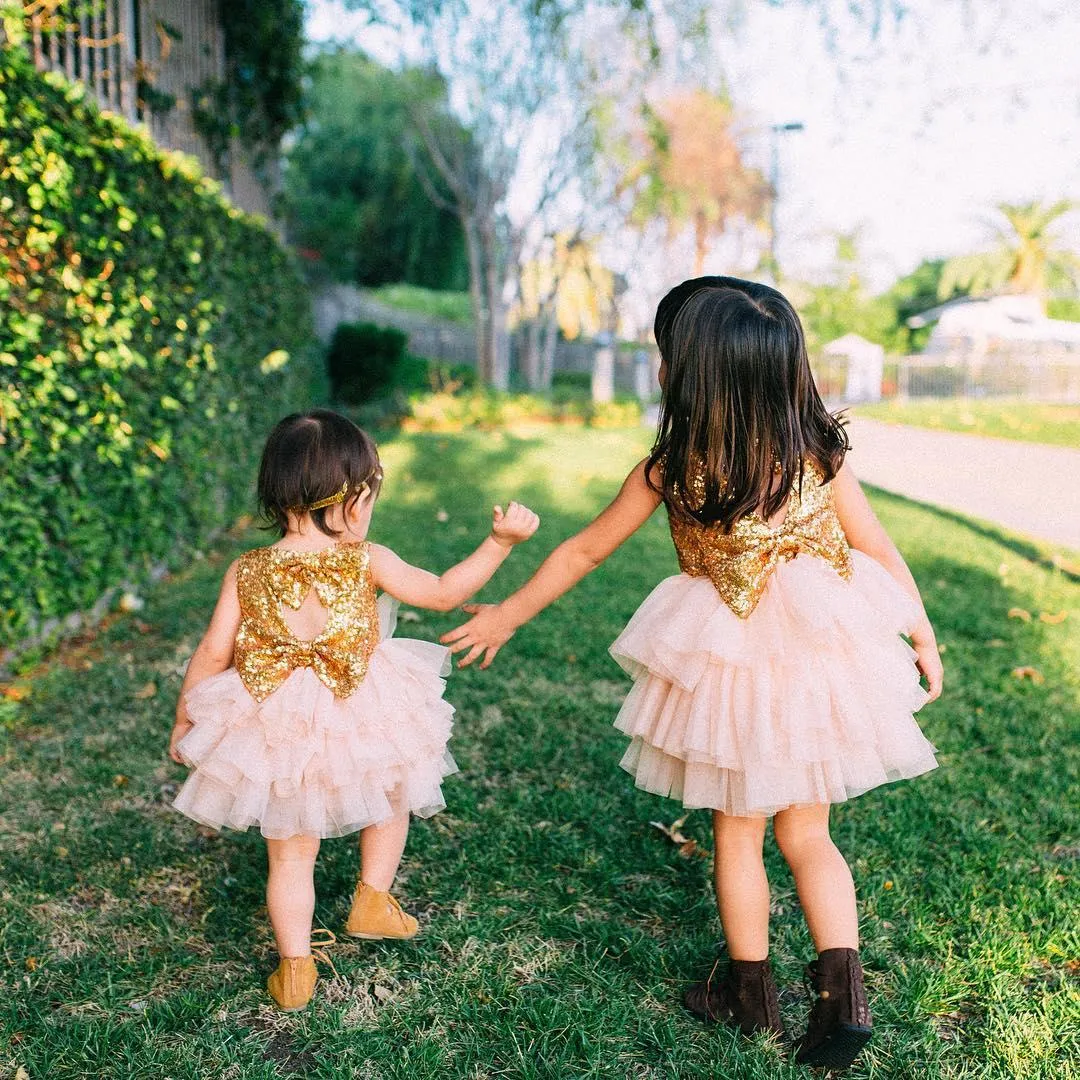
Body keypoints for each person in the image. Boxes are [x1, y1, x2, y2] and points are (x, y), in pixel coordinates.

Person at [442, 277, 941, 1070]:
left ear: (689, 375)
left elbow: (584, 550)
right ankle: (841, 992)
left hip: (729, 668)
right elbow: (879, 550)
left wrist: (506, 613)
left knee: (736, 831)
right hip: (820, 663)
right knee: (807, 832)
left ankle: (749, 993)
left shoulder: (670, 469)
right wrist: (920, 634)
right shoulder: (821, 456)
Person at [167, 409, 539, 1011]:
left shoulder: (247, 570)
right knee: (391, 791)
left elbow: (212, 653)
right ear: (349, 501)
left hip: (273, 720)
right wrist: (499, 544)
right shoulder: (368, 559)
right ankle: (372, 896)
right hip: (359, 705)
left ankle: (294, 969)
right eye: (368, 494)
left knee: (289, 848)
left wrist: (188, 718)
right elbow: (444, 593)